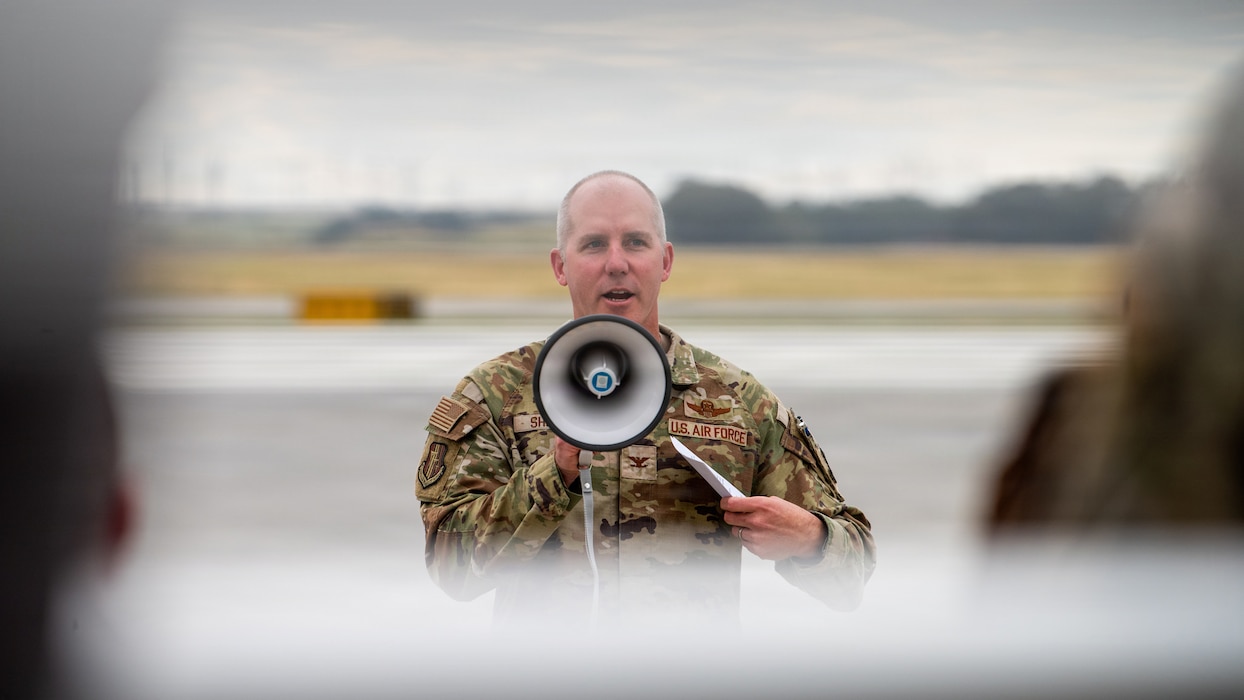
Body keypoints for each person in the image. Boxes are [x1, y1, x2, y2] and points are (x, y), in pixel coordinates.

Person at [416, 170, 875, 627]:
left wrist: (809, 539)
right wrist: (553, 475)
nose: (617, 263)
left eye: (636, 242)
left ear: (665, 261)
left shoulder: (738, 401)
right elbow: (451, 568)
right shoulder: (497, 394)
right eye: (594, 244)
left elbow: (853, 574)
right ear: (560, 266)